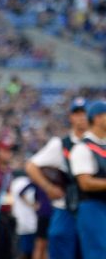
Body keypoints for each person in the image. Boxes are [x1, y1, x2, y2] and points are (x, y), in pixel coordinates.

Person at [25, 97, 88, 259]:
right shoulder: (60, 144)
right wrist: (49, 187)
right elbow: (31, 166)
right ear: (70, 117)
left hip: (91, 208)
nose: (81, 117)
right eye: (77, 113)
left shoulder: (98, 144)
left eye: (85, 113)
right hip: (65, 209)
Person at [69, 100, 106, 259]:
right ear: (97, 118)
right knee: (97, 253)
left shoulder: (102, 145)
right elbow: (85, 183)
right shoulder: (82, 148)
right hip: (92, 206)